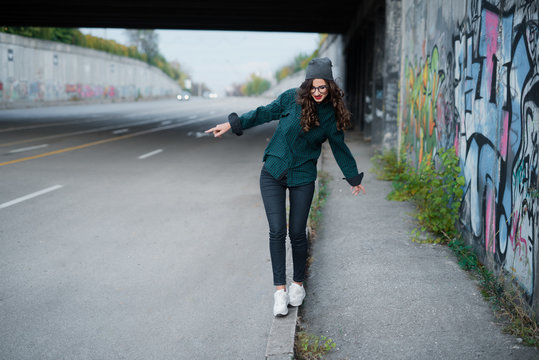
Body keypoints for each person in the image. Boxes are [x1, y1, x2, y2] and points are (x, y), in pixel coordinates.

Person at [205, 57, 366, 316]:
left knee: (298, 233)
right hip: (273, 172)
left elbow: (340, 148)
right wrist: (232, 125)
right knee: (278, 231)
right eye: (313, 87)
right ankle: (279, 292)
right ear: (306, 85)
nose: (317, 92)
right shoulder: (291, 98)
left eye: (322, 88)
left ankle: (297, 285)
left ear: (330, 86)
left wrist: (353, 178)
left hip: (303, 176)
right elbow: (263, 113)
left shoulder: (331, 116)